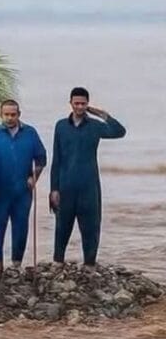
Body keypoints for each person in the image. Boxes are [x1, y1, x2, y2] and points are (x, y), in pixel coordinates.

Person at [50, 87, 126, 270]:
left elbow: (119, 131)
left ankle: (90, 263)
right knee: (62, 225)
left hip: (89, 185)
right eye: (76, 103)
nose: (80, 107)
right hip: (65, 184)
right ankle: (58, 261)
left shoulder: (94, 126)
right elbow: (56, 159)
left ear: (87, 104)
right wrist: (54, 188)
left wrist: (101, 113)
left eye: (83, 103)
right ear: (70, 103)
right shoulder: (61, 126)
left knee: (90, 226)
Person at [0, 100, 47, 277]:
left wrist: (34, 176)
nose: (10, 118)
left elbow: (41, 158)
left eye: (13, 114)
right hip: (0, 190)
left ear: (19, 114)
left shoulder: (30, 133)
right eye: (7, 114)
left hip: (22, 191)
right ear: (0, 114)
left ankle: (16, 263)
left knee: (20, 226)